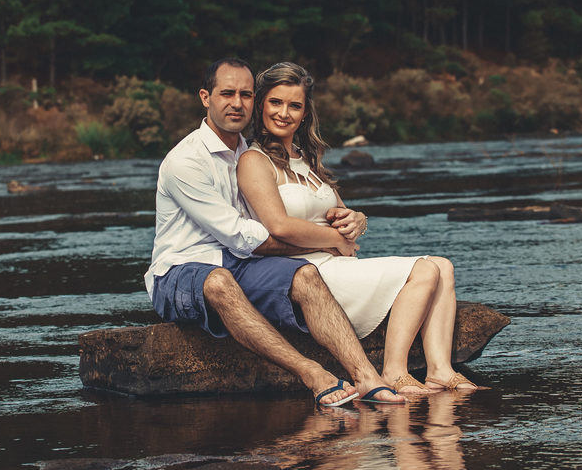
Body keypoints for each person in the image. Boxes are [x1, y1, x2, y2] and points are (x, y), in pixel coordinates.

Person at [145, 58, 405, 406]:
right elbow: (242, 237)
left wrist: (354, 220)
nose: (237, 103)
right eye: (227, 94)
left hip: (237, 261)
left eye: (246, 95)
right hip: (181, 269)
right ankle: (312, 373)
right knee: (219, 281)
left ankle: (366, 376)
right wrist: (329, 242)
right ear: (205, 97)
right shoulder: (185, 161)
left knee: (306, 274)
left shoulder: (248, 152)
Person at [236, 61, 481, 395]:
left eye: (294, 105)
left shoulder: (306, 158)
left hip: (336, 263)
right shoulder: (254, 160)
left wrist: (358, 220)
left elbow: (340, 210)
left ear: (305, 113)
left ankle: (440, 369)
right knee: (424, 270)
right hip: (305, 271)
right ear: (261, 105)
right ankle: (394, 371)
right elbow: (279, 226)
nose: (284, 113)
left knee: (443, 266)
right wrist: (334, 240)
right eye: (275, 102)